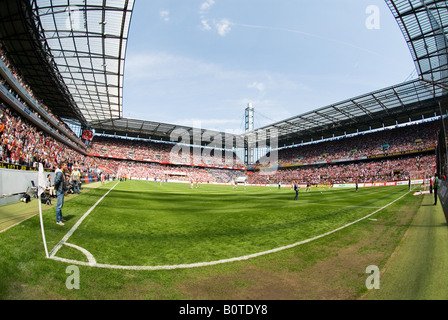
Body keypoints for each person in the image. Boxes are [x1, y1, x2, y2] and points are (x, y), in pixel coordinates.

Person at [54, 161, 67, 226]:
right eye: (65, 165)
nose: (66, 166)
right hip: (60, 190)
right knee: (59, 206)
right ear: (62, 166)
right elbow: (56, 181)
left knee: (60, 205)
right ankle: (58, 220)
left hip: (61, 190)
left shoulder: (62, 172)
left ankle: (60, 218)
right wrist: (57, 188)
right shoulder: (59, 173)